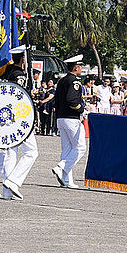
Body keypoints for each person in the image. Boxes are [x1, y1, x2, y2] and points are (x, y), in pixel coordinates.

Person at [0, 45, 38, 200]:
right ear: (23, 59)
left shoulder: (7, 71)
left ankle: (6, 188)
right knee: (31, 152)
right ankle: (13, 181)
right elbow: (19, 95)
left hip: (8, 116)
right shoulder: (19, 75)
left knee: (10, 152)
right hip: (20, 117)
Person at [51, 54, 86, 189]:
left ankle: (67, 180)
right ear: (76, 67)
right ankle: (61, 167)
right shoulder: (74, 81)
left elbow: (57, 101)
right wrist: (81, 109)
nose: (81, 69)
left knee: (67, 150)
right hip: (72, 118)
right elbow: (72, 100)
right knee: (80, 147)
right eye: (80, 67)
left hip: (61, 118)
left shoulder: (62, 81)